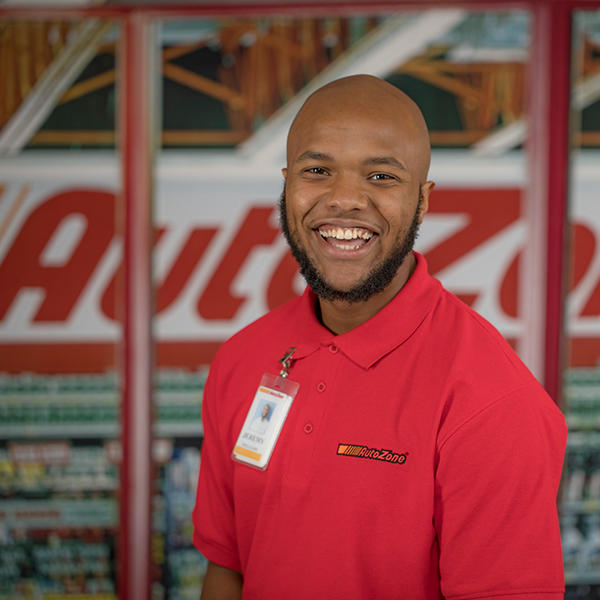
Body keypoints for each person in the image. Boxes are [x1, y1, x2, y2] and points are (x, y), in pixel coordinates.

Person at [192, 74, 567, 600]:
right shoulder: (240, 359)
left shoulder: (492, 404)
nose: (344, 199)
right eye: (317, 170)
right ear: (286, 183)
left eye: (382, 176)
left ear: (422, 200)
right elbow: (228, 565)